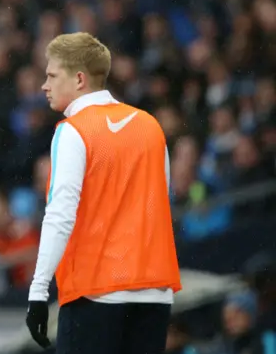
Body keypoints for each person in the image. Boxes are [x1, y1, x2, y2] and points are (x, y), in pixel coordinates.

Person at [25, 32, 182, 354]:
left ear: (79, 79)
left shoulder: (74, 130)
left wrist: (38, 290)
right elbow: (163, 203)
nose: (45, 85)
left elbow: (60, 214)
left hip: (96, 291)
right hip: (154, 290)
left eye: (52, 75)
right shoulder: (150, 125)